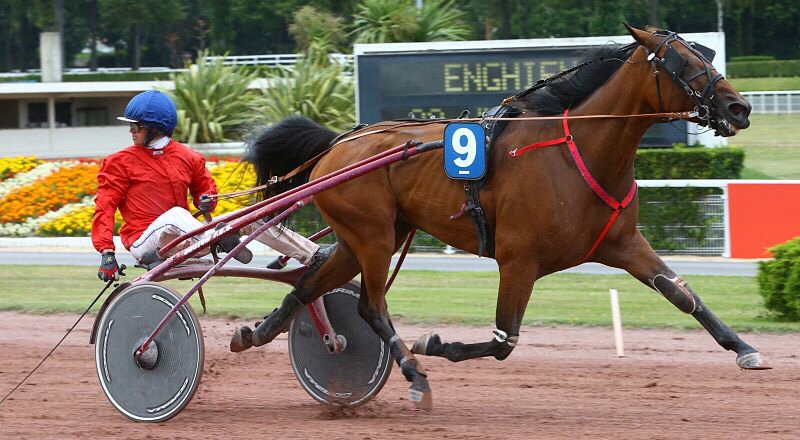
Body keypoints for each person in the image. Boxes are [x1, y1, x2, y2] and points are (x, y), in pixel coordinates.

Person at [93, 90, 325, 282]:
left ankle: (314, 255)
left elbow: (207, 198)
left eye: (135, 127)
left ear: (155, 129)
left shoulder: (189, 157)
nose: (131, 131)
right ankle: (219, 238)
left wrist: (207, 198)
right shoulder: (118, 162)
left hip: (189, 240)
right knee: (176, 215)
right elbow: (105, 207)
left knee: (252, 216)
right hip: (146, 243)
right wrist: (107, 253)